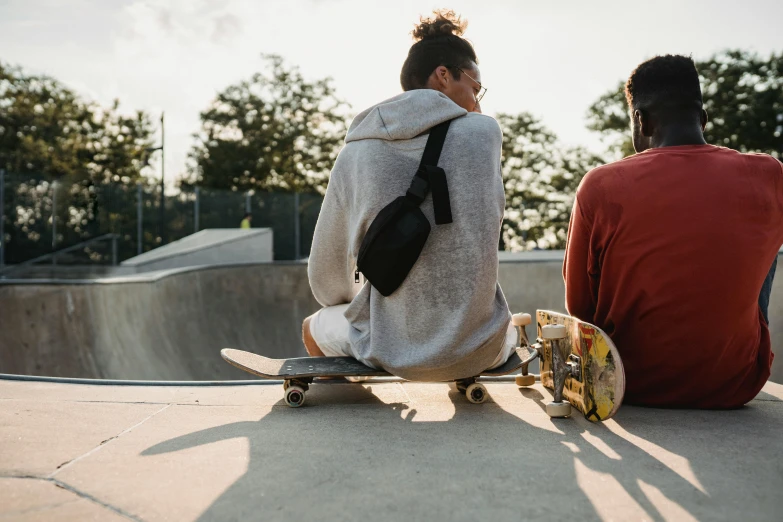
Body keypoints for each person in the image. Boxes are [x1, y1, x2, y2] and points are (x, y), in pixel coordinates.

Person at [304, 10, 514, 381]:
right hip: (479, 350)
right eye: (475, 87)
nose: (477, 102)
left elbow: (326, 279)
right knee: (507, 330)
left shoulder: (355, 151)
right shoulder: (484, 133)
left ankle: (351, 420)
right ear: (443, 75)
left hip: (389, 352)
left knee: (314, 325)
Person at [563, 54, 783, 408]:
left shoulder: (602, 184)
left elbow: (579, 308)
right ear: (703, 119)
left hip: (625, 384)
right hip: (734, 385)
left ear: (642, 120)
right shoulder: (770, 174)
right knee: (764, 230)